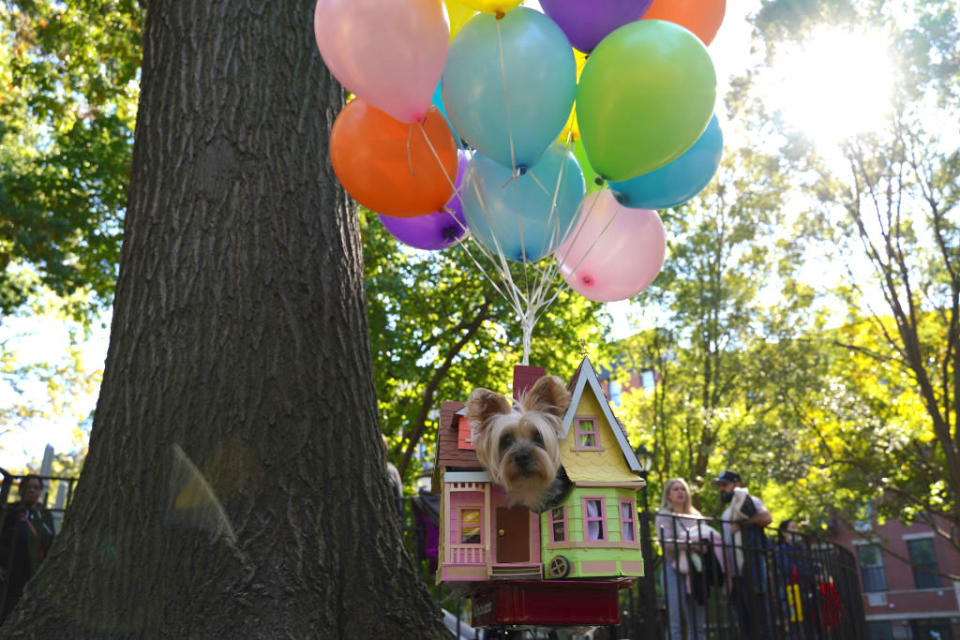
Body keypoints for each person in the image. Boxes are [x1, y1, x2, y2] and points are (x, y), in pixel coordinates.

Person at [655, 478, 719, 640]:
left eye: (683, 489)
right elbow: (667, 544)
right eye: (675, 489)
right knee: (675, 621)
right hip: (673, 569)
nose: (680, 492)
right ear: (668, 495)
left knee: (698, 625)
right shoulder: (664, 514)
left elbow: (707, 540)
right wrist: (692, 545)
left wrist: (699, 546)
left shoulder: (696, 515)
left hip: (696, 571)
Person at [714, 470, 772, 640]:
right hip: (736, 575)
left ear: (737, 485)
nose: (721, 489)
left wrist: (743, 524)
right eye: (720, 486)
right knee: (744, 624)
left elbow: (766, 517)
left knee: (760, 621)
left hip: (752, 570)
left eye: (725, 485)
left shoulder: (750, 500)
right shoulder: (725, 514)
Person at [0, 475, 56, 622]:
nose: (31, 490)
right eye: (27, 486)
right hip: (7, 573)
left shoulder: (45, 516)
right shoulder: (9, 510)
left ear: (40, 492)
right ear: (20, 490)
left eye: (36, 487)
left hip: (31, 576)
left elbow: (50, 543)